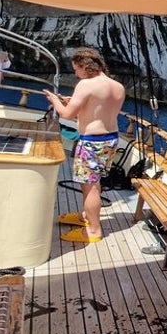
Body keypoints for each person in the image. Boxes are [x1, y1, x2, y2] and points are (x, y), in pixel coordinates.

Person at [43, 47, 125, 243]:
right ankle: (87, 216)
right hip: (111, 139)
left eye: (76, 69)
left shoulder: (85, 85)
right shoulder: (117, 86)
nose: (75, 73)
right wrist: (74, 103)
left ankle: (94, 231)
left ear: (84, 66)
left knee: (90, 187)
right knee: (95, 183)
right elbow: (99, 111)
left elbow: (67, 115)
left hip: (92, 142)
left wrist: (55, 100)